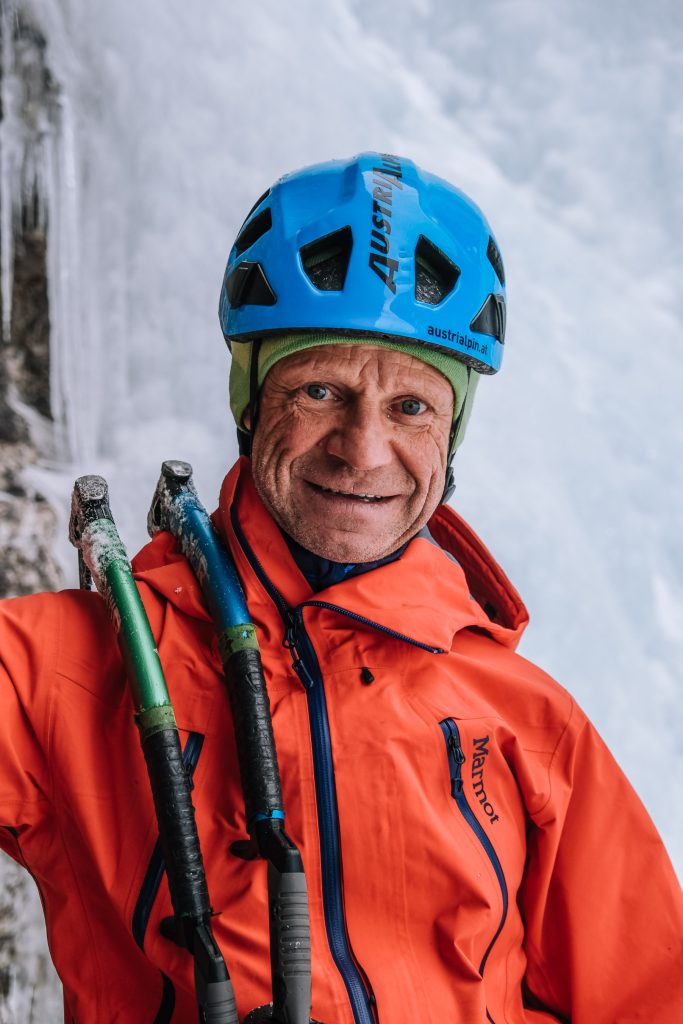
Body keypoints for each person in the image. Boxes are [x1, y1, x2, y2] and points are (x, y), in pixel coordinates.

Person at [1, 152, 681, 1023]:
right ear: (250, 401)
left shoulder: (528, 724)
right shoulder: (70, 667)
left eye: (410, 408)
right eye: (319, 390)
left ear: (451, 433)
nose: (361, 450)